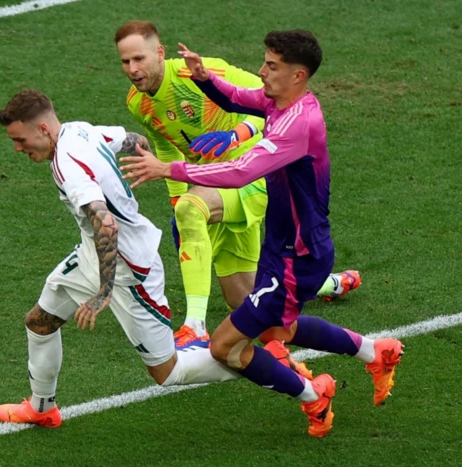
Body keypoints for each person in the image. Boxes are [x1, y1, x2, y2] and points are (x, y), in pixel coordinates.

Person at [120, 31, 403, 437]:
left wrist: (172, 170)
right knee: (276, 330)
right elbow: (238, 97)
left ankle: (313, 397)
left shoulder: (297, 125)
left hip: (299, 256)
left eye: (271, 66)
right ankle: (375, 352)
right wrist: (204, 79)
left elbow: (241, 172)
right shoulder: (281, 101)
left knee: (224, 346)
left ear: (298, 75)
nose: (261, 71)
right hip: (282, 245)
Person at [0, 89, 312, 427]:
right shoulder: (78, 129)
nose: (17, 148)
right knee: (40, 322)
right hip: (93, 253)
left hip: (129, 268)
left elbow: (107, 225)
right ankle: (42, 409)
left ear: (42, 129)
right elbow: (129, 139)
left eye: (20, 139)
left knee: (167, 371)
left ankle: (282, 372)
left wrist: (103, 292)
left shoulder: (68, 166)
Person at [115, 21, 361, 351]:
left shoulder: (210, 76)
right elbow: (169, 141)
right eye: (125, 62)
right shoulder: (138, 102)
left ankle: (194, 327)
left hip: (252, 175)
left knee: (193, 210)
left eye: (139, 59)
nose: (132, 69)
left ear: (159, 53)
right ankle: (325, 286)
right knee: (246, 303)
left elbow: (260, 122)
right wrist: (176, 195)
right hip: (212, 180)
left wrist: (235, 135)